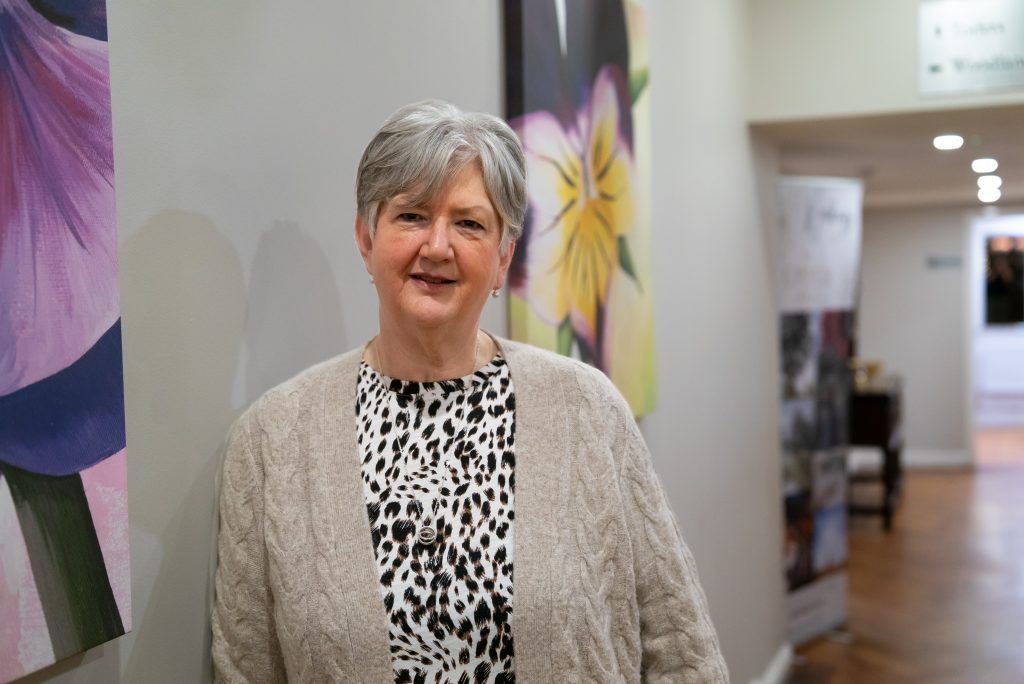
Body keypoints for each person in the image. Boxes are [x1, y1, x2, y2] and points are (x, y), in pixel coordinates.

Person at [211, 100, 729, 683]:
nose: (438, 246)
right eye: (411, 216)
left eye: (469, 224)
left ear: (503, 258)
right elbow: (244, 669)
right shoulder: (271, 441)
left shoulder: (588, 410)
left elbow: (681, 650)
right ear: (365, 240)